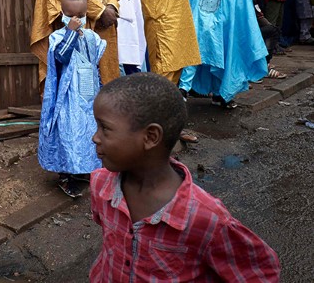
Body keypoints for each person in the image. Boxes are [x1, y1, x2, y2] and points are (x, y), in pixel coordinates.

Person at [90, 73, 280, 282]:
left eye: (105, 128)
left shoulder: (206, 217)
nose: (95, 137)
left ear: (151, 137)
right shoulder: (100, 183)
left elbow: (260, 273)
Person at [179, 0, 268, 109]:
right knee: (192, 56)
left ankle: (220, 95)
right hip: (200, 27)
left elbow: (244, 11)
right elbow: (193, 0)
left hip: (225, 31)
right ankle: (183, 89)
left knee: (224, 59)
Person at [39, 0, 104, 198]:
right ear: (62, 14)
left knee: (88, 134)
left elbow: (95, 64)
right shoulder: (57, 37)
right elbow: (61, 57)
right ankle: (66, 175)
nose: (76, 19)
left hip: (89, 96)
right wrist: (70, 32)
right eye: (71, 15)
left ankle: (84, 171)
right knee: (68, 133)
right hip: (67, 98)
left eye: (81, 15)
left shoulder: (93, 37)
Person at [250, 0, 288, 80]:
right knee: (272, 32)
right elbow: (260, 18)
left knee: (272, 30)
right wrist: (272, 28)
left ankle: (263, 63)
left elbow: (260, 16)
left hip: (248, 31)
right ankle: (264, 65)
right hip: (242, 33)